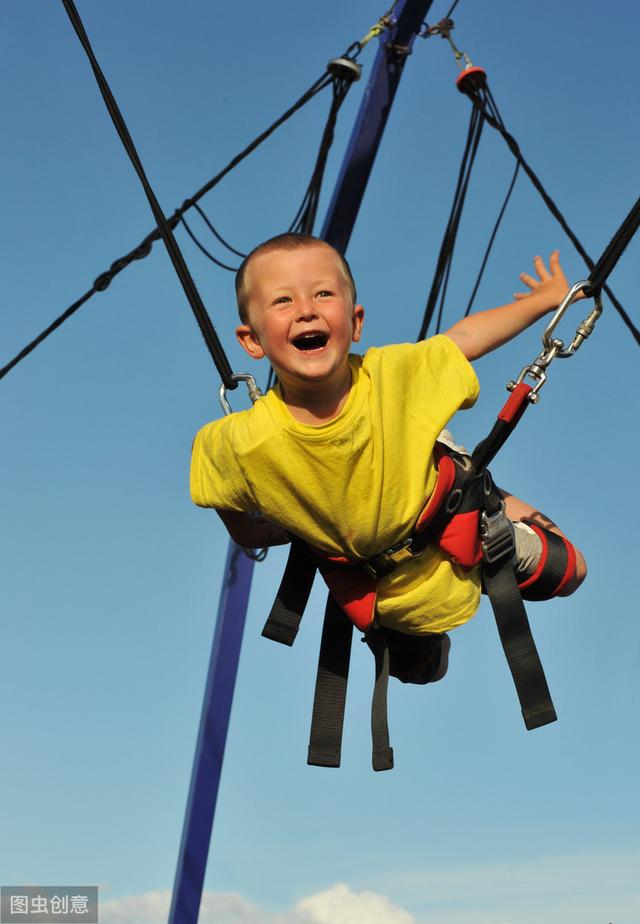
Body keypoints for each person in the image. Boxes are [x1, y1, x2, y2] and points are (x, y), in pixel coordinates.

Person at [190, 233, 586, 680]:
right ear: (251, 340)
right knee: (420, 671)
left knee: (571, 570)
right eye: (283, 300)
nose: (306, 310)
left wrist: (544, 301)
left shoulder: (394, 373)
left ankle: (489, 506)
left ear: (355, 322)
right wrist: (304, 522)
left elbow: (464, 339)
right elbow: (243, 525)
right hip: (393, 592)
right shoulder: (238, 445)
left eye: (323, 294)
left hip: (454, 519)